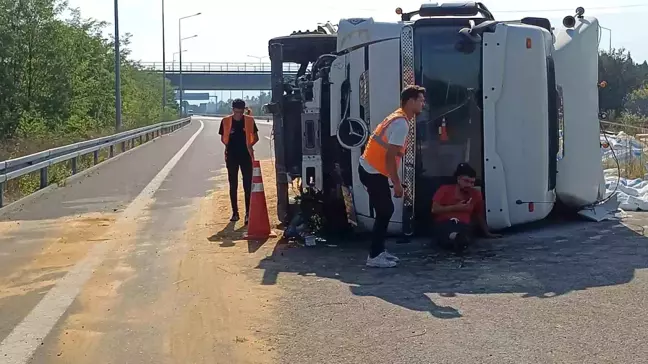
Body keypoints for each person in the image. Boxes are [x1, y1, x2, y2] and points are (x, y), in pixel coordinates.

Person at [358, 85, 426, 268]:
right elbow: (389, 157)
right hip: (373, 171)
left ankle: (378, 251)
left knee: (385, 210)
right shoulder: (401, 123)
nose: (423, 104)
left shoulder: (398, 117)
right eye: (420, 100)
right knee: (385, 211)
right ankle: (374, 256)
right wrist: (396, 183)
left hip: (371, 169)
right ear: (410, 101)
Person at [431, 162, 501, 254]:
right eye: (466, 181)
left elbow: (479, 214)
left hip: (463, 224)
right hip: (444, 222)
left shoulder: (475, 194)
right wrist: (456, 207)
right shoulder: (445, 189)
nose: (469, 185)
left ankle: (458, 239)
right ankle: (455, 238)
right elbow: (434, 209)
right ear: (458, 179)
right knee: (445, 232)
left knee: (465, 232)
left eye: (472, 182)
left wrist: (487, 233)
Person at [219, 99, 259, 224]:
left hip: (246, 156)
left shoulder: (249, 120)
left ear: (243, 110)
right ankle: (235, 213)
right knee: (233, 185)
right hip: (231, 156)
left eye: (241, 112)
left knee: (247, 185)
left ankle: (248, 213)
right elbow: (223, 138)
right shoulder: (225, 121)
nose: (238, 115)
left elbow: (256, 137)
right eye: (236, 112)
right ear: (233, 110)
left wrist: (249, 145)